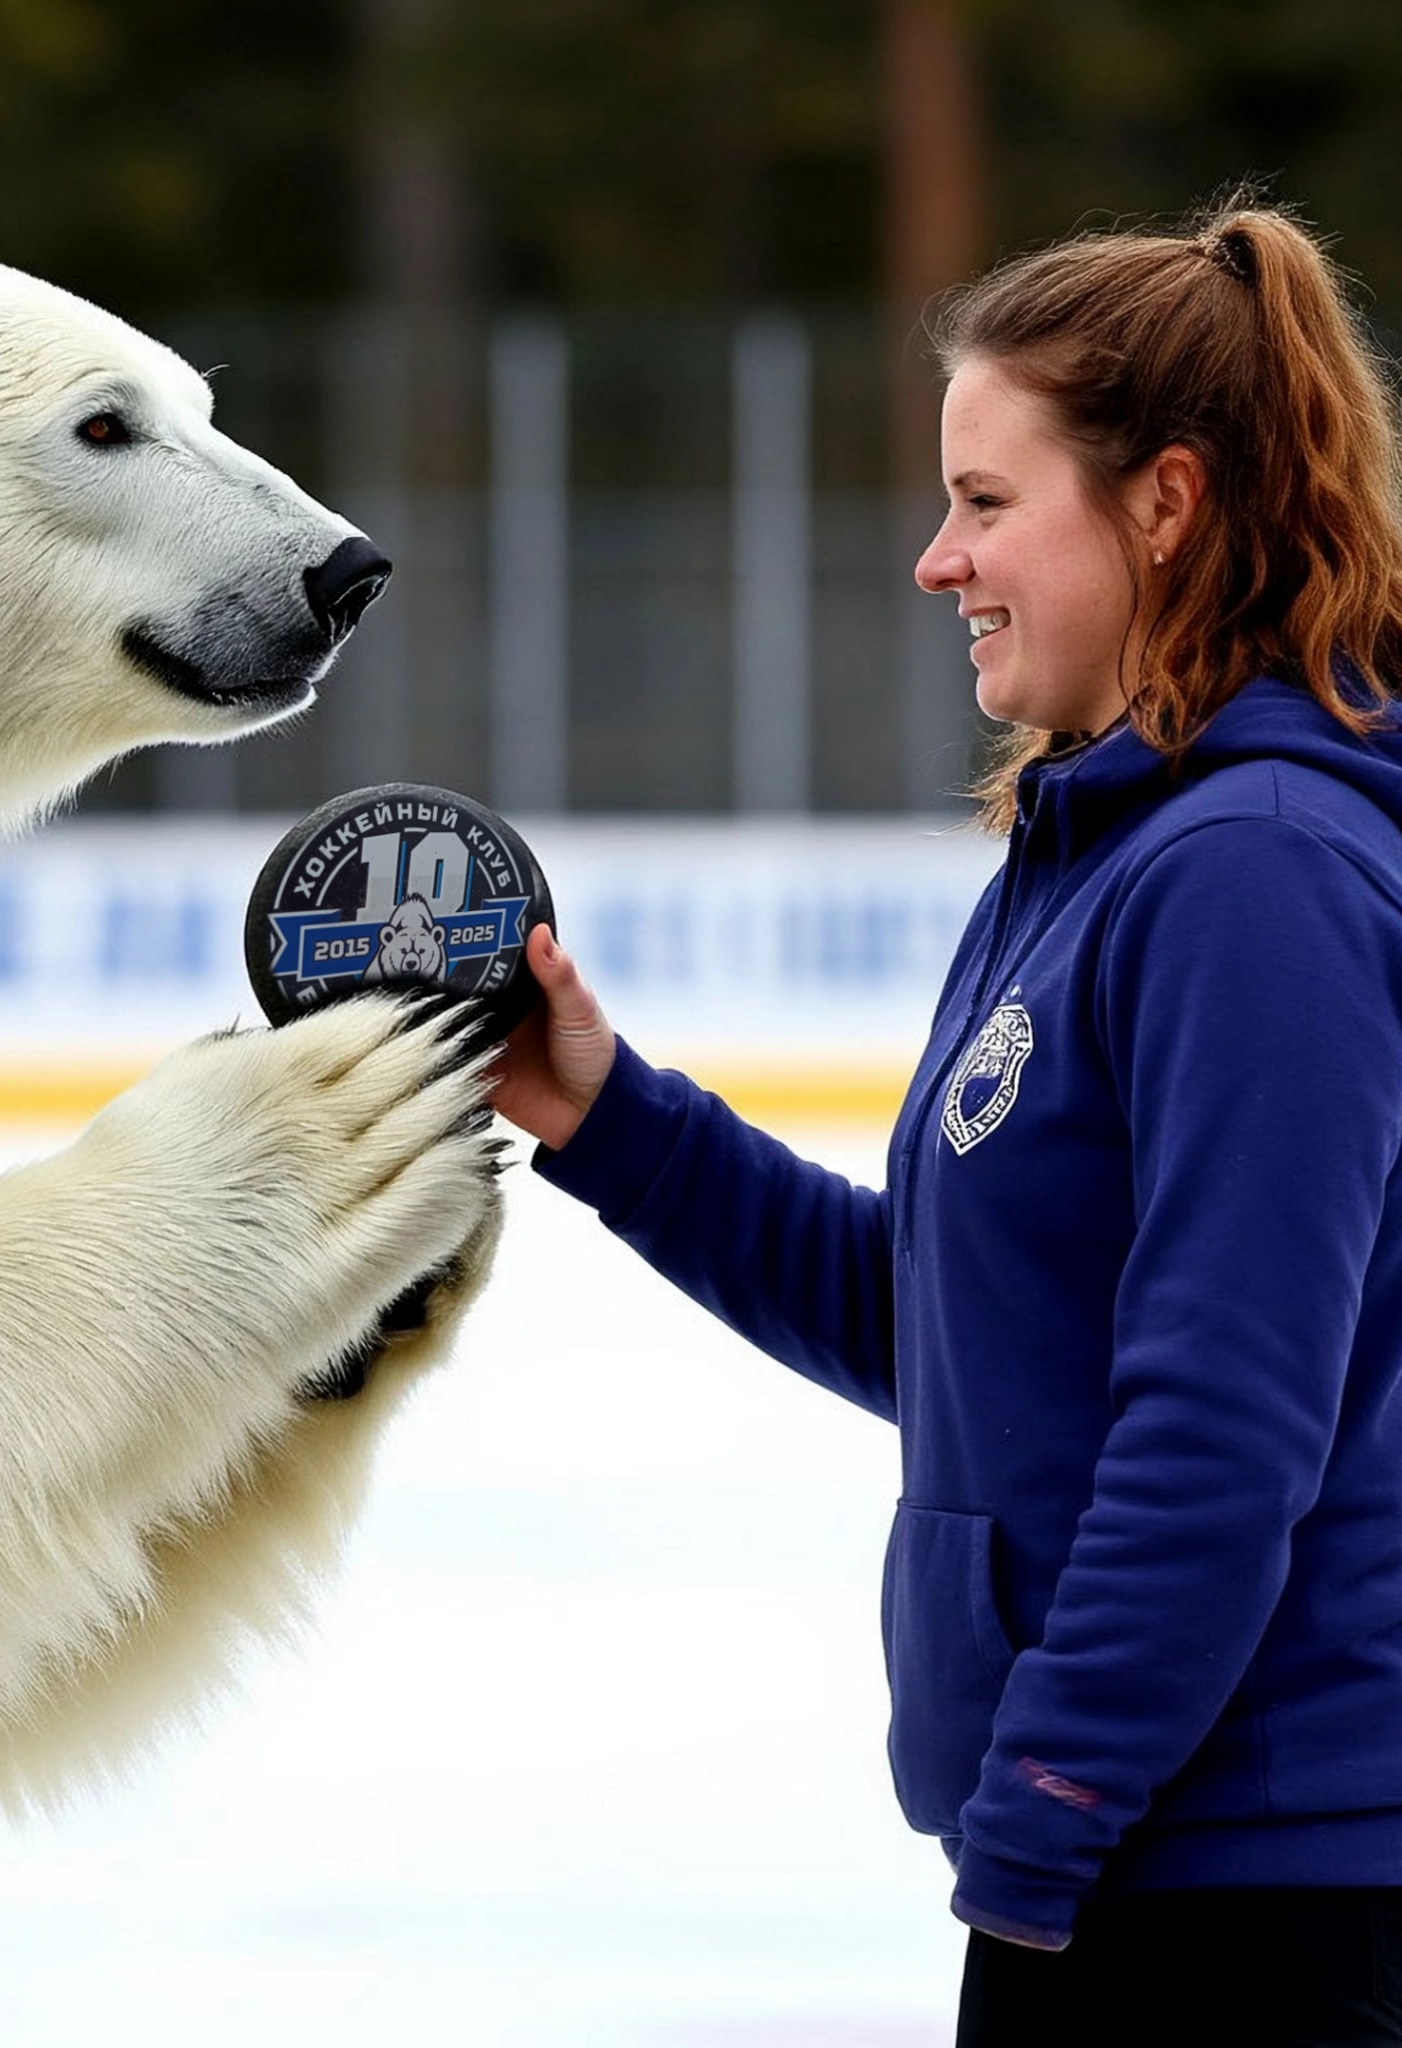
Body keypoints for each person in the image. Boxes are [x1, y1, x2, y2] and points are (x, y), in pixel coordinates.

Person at [492, 196, 1402, 2047]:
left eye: (987, 504)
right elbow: (972, 1334)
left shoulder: (1259, 881)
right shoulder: (1104, 849)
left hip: (1259, 1890)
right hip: (1157, 1861)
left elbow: (1224, 1427)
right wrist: (609, 1117)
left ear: (1165, 503)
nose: (935, 560)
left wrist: (1044, 1818)